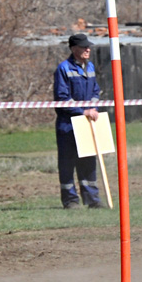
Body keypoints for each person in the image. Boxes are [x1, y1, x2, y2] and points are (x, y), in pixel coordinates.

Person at [53, 32, 103, 209]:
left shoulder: (89, 68)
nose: (87, 49)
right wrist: (83, 111)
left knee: (88, 162)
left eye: (88, 46)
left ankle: (92, 199)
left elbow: (96, 92)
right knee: (67, 163)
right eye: (83, 47)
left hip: (87, 123)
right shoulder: (63, 69)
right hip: (68, 125)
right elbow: (62, 97)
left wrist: (94, 109)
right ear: (74, 49)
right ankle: (70, 200)